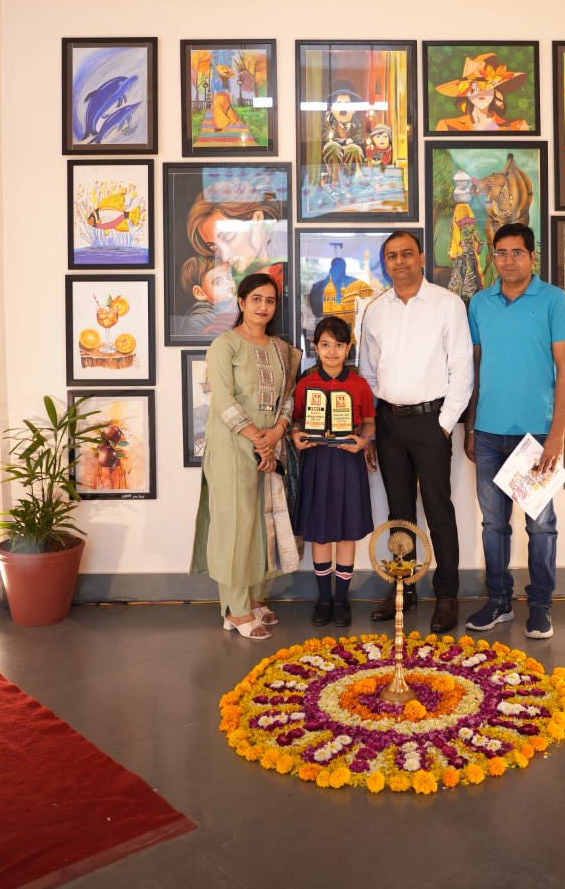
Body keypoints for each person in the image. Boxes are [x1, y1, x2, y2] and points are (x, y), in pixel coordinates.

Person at [465, 222, 565, 640]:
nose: (508, 260)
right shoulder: (480, 304)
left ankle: (541, 604)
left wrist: (556, 435)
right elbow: (475, 369)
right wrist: (471, 426)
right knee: (493, 524)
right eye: (501, 252)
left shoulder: (553, 300)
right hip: (488, 433)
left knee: (540, 525)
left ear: (532, 257)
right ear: (493, 256)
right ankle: (498, 601)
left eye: (517, 252)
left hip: (536, 436)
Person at [359, 231, 473, 633]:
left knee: (439, 510)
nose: (400, 261)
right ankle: (403, 589)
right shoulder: (376, 310)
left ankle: (447, 596)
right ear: (385, 263)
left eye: (407, 253)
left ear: (421, 258)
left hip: (431, 420)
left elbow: (462, 368)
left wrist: (444, 424)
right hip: (389, 422)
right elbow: (368, 372)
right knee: (399, 511)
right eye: (392, 256)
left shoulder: (447, 304)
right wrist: (373, 426)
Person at [190, 273, 301, 641]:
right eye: (256, 299)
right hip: (232, 447)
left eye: (270, 300)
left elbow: (288, 398)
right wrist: (258, 438)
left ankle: (253, 598)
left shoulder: (280, 349)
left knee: (259, 524)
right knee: (235, 526)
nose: (263, 307)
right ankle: (234, 609)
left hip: (268, 446)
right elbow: (222, 399)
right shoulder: (225, 345)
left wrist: (277, 433)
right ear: (240, 302)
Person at [291, 315, 375, 628]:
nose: (332, 351)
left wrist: (364, 441)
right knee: (320, 531)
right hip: (316, 460)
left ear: (348, 348)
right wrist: (296, 435)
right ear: (315, 347)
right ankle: (324, 598)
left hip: (347, 460)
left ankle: (341, 599)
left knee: (347, 530)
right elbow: (296, 420)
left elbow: (369, 421)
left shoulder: (359, 384)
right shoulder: (305, 384)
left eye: (339, 345)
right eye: (325, 345)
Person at [433, 53, 529, 132]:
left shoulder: (517, 126)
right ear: (466, 92)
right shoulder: (448, 126)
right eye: (474, 87)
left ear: (495, 90)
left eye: (487, 87)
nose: (481, 93)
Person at [178, 255, 237, 337]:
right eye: (218, 282)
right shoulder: (201, 314)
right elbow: (195, 337)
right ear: (200, 293)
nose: (228, 283)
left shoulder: (231, 304)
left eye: (229, 278)